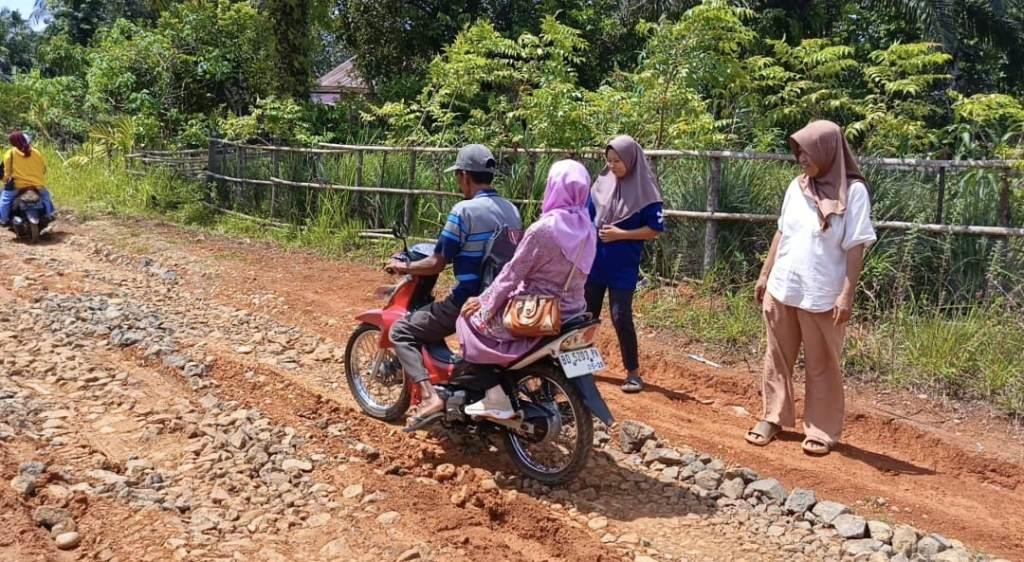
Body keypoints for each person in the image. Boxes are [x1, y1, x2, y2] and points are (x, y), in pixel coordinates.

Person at [745, 120, 876, 456]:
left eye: (808, 151)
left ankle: (821, 429)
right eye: (798, 150)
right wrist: (764, 274)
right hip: (784, 286)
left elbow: (856, 246)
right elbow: (782, 232)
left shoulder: (854, 193)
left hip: (823, 294)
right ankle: (772, 417)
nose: (801, 157)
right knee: (776, 357)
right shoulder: (797, 187)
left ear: (829, 151)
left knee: (822, 365)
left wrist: (847, 294)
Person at [388, 144, 522, 432]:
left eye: (457, 177)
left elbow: (437, 263)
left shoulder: (463, 211)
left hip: (468, 301)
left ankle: (429, 397)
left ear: (464, 176)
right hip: (504, 299)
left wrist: (405, 267)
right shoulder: (512, 210)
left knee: (401, 330)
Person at [455, 159, 597, 419]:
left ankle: (495, 395)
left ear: (553, 187)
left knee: (468, 322)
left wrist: (484, 303)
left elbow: (512, 274)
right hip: (573, 311)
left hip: (535, 313)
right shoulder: (589, 228)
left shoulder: (544, 230)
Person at [585, 135, 664, 394]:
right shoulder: (601, 184)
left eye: (618, 161)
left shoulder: (646, 191)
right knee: (586, 316)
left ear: (630, 159)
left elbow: (654, 229)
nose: (613, 166)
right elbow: (586, 217)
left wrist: (621, 234)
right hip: (595, 262)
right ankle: (578, 370)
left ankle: (633, 373)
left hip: (623, 265)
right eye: (609, 161)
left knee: (621, 316)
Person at [0, 131, 56, 226]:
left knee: (5, 199)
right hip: (37, 185)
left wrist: (5, 181)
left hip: (18, 186)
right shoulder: (36, 152)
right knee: (46, 197)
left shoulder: (10, 154)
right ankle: (49, 214)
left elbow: (7, 172)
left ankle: (4, 220)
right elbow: (43, 169)